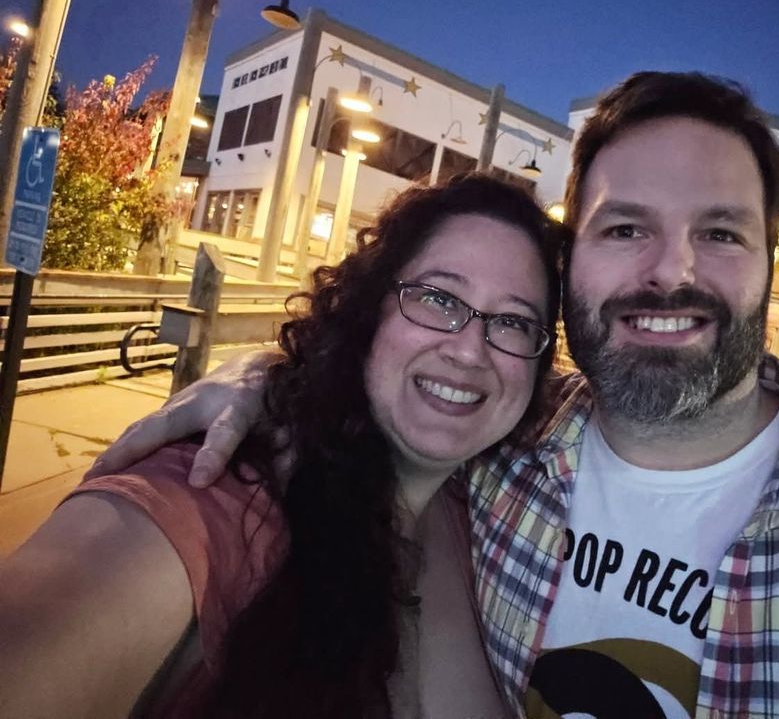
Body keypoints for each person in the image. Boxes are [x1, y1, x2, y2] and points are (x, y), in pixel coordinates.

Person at [91, 72, 779, 718]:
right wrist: (266, 377)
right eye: (625, 228)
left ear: (769, 262)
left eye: (721, 233)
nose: (671, 271)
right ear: (574, 269)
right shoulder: (493, 449)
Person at [0, 173, 566, 718]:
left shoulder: (483, 510)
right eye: (438, 298)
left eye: (514, 323)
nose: (469, 351)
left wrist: (261, 367)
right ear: (369, 311)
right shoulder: (215, 494)